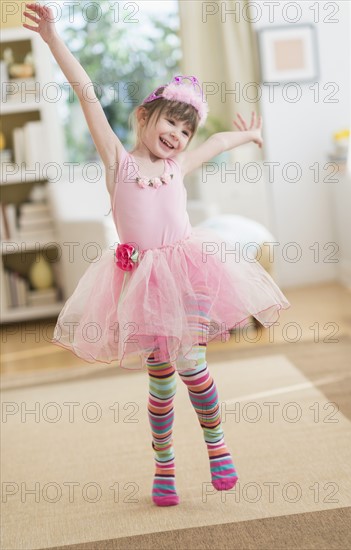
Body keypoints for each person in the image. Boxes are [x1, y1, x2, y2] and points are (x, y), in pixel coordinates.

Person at [24, 3, 291, 507]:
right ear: (145, 116)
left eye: (185, 131)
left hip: (189, 273)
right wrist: (54, 39)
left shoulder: (180, 164)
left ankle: (217, 446)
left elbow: (217, 142)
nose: (178, 136)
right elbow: (86, 95)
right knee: (162, 377)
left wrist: (251, 135)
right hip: (138, 284)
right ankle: (164, 466)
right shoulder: (118, 163)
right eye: (171, 122)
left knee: (191, 363)